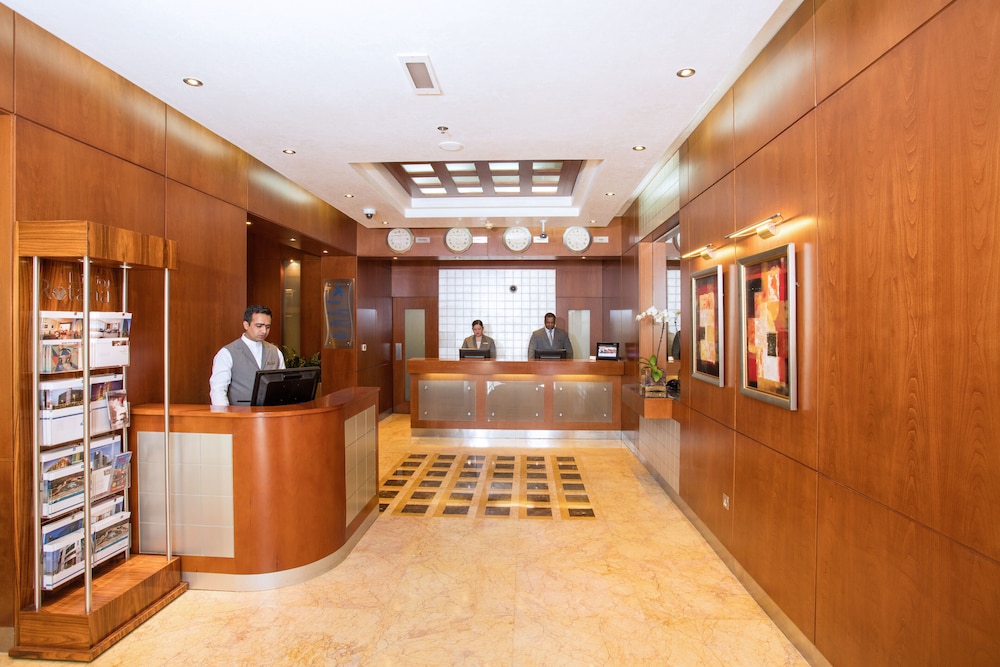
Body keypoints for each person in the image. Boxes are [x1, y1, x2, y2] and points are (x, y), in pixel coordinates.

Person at [209, 305, 284, 406]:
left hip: (271, 412)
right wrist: (225, 414)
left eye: (267, 327)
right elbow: (218, 390)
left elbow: (282, 385)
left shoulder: (275, 352)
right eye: (259, 326)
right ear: (246, 325)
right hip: (241, 413)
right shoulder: (227, 353)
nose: (264, 331)